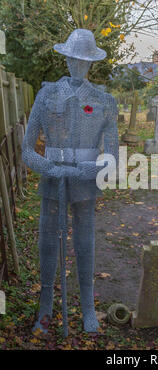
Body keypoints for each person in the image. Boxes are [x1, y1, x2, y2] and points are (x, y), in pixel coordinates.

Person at [22, 29, 119, 334]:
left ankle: (88, 308)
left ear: (91, 62)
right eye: (72, 59)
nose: (77, 65)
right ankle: (46, 305)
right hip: (53, 180)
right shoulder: (47, 95)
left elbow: (113, 155)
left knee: (85, 243)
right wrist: (48, 167)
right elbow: (26, 149)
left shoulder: (104, 101)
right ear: (65, 58)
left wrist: (87, 170)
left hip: (85, 182)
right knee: (48, 243)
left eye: (83, 60)